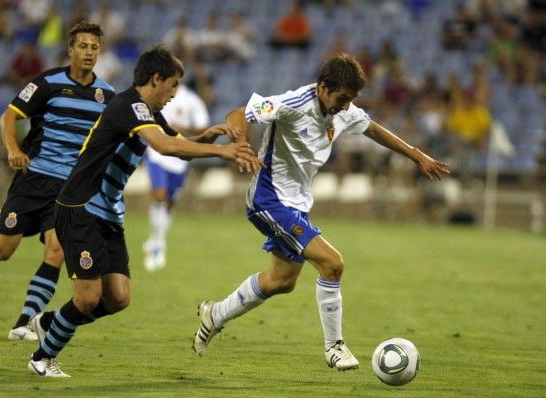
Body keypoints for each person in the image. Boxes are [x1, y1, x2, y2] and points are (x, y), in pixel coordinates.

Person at [192, 53, 450, 371]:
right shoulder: (293, 103)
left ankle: (214, 314)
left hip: (296, 205)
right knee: (332, 264)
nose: (345, 107)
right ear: (323, 88)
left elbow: (372, 128)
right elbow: (239, 113)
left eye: (350, 101)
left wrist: (416, 154)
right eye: (342, 99)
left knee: (282, 281)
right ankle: (334, 347)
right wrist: (242, 143)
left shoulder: (342, 110)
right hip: (268, 200)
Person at [27, 45, 261, 377]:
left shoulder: (147, 112)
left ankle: (50, 321)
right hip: (81, 207)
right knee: (89, 297)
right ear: (156, 78)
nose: (174, 93)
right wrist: (222, 153)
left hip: (107, 212)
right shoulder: (129, 105)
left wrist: (205, 137)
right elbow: (165, 146)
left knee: (118, 297)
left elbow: (177, 144)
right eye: (173, 85)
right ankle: (42, 357)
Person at [0, 21, 114, 341]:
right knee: (1, 251)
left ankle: (24, 321)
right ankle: (2, 221)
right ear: (70, 50)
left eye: (94, 47)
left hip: (69, 190)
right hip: (34, 179)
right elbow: (10, 115)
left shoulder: (107, 96)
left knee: (56, 250)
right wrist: (13, 149)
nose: (89, 52)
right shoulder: (47, 83)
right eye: (83, 46)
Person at [143, 83, 210, 271]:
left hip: (179, 160)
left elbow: (203, 127)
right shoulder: (156, 95)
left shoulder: (191, 100)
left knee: (169, 204)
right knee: (160, 195)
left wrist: (184, 127)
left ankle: (158, 238)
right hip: (156, 154)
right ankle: (157, 244)